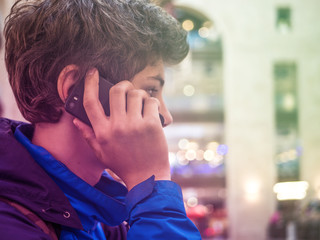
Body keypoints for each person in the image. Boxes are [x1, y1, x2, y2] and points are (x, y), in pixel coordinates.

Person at [0, 0, 201, 239]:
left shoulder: (102, 220)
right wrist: (152, 182)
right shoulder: (10, 226)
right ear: (77, 87)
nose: (166, 117)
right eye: (150, 91)